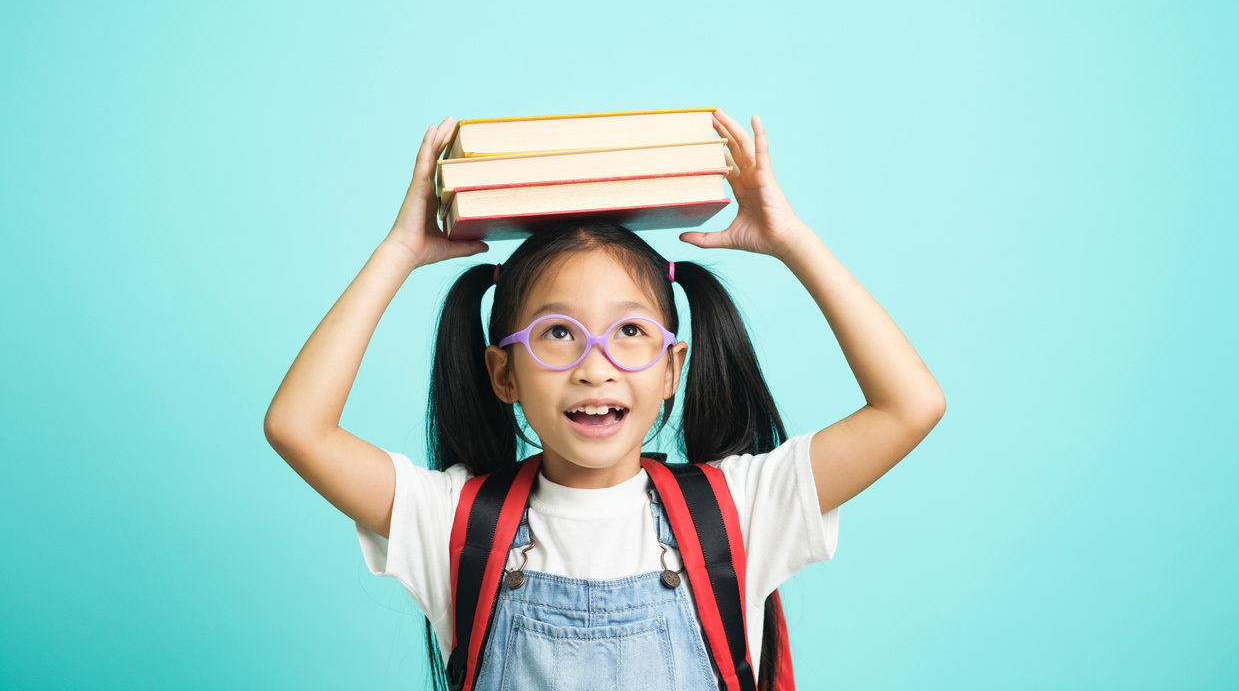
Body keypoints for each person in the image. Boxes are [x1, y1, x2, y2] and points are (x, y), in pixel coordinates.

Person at [264, 108, 946, 690]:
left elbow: (910, 405)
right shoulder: (451, 525)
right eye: (558, 332)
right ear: (503, 374)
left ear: (674, 366)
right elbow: (298, 427)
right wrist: (398, 253)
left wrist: (792, 241)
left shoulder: (741, 510)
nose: (597, 367)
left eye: (630, 331)